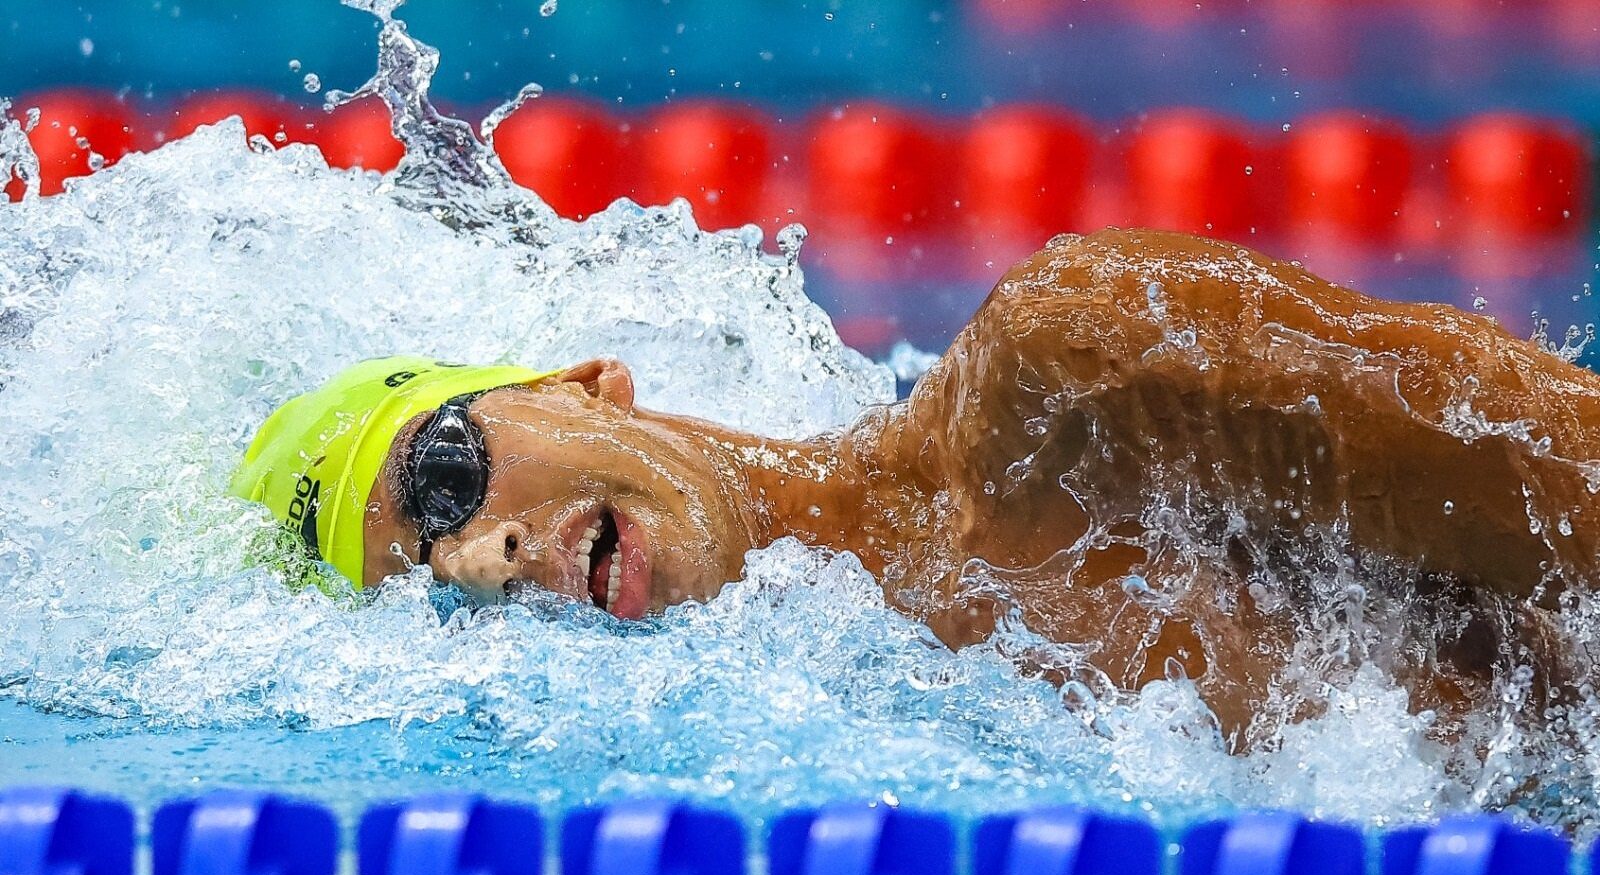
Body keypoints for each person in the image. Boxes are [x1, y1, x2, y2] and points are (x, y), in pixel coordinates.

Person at [233, 228, 1600, 746]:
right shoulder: (797, 767)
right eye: (433, 591)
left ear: (581, 382)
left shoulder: (1074, 376)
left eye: (446, 477)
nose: (479, 557)